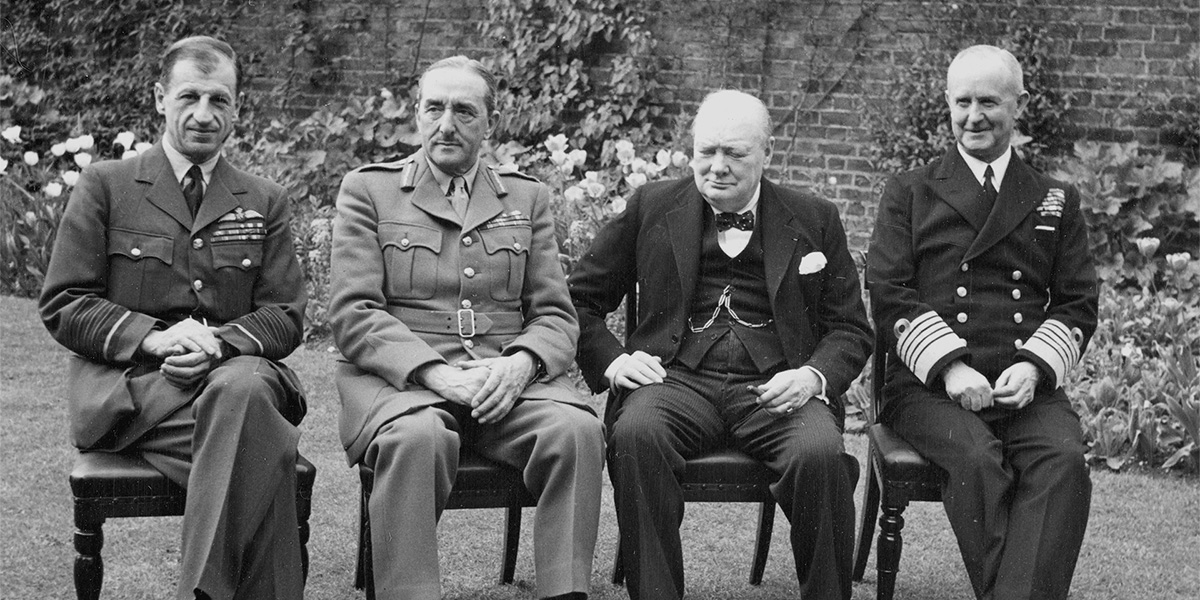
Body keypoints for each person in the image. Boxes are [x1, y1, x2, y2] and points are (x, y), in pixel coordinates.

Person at [568, 90, 872, 600]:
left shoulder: (815, 217)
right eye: (706, 152)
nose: (717, 167)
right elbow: (578, 299)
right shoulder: (652, 206)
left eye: (735, 154)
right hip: (675, 380)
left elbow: (851, 327)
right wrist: (615, 361)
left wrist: (811, 377)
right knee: (638, 433)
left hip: (777, 388)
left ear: (767, 154)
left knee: (820, 452)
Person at [39, 36, 308, 599]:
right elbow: (65, 303)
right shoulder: (107, 186)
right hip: (136, 395)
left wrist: (220, 345)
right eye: (189, 96)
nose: (204, 115)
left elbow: (284, 316)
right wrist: (156, 341)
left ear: (237, 108)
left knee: (242, 388)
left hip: (228, 381)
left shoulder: (264, 199)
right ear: (159, 98)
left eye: (220, 100)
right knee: (262, 437)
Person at [328, 55, 604, 600]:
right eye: (434, 108)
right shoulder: (370, 191)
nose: (446, 124)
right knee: (416, 437)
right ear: (417, 115)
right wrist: (435, 374)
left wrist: (522, 365)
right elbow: (354, 313)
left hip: (506, 383)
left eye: (464, 110)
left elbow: (555, 314)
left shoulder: (526, 197)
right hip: (404, 384)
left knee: (576, 431)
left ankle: (565, 592)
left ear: (490, 124)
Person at [866, 44, 1098, 600]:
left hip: (1021, 383)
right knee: (975, 458)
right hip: (929, 387)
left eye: (989, 102)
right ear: (947, 103)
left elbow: (1077, 301)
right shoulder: (910, 191)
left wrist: (1036, 367)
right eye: (962, 101)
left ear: (1018, 105)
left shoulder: (1053, 197)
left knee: (1063, 461)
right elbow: (890, 293)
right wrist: (950, 368)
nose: (974, 116)